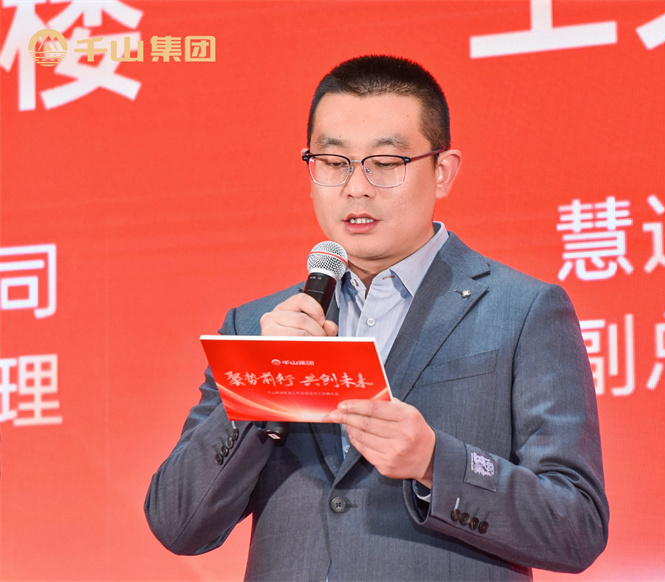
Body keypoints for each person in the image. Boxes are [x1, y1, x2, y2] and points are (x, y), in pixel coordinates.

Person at [145, 55, 609, 582]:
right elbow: (177, 524)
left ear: (442, 172)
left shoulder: (522, 310)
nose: (356, 187)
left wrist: (436, 462)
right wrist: (260, 389)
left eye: (385, 163)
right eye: (333, 161)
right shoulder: (258, 326)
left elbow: (577, 525)